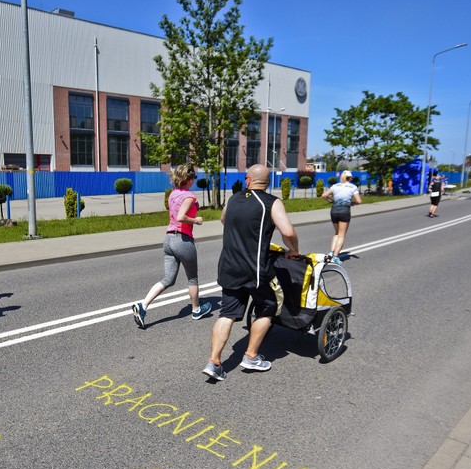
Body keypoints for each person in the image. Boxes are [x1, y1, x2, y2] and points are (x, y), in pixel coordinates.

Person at [202, 164, 300, 381]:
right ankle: (251, 356)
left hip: (229, 266)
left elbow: (224, 220)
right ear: (268, 182)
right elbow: (287, 231)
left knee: (227, 313)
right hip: (254, 269)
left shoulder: (233, 199)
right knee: (268, 306)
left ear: (248, 180)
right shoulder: (271, 202)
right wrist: (294, 249)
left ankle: (214, 362)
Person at [132, 163, 211, 328]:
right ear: (189, 179)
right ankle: (196, 310)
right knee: (192, 278)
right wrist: (196, 220)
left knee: (168, 279)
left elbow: (176, 214)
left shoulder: (173, 194)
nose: (194, 180)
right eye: (193, 177)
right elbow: (181, 217)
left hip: (168, 239)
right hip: (183, 240)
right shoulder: (189, 196)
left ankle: (143, 305)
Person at [321, 170, 361, 262]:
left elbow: (324, 195)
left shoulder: (335, 186)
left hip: (334, 211)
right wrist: (352, 203)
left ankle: (331, 252)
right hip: (344, 212)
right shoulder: (353, 187)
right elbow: (359, 201)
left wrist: (331, 201)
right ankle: (335, 256)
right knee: (342, 235)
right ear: (349, 178)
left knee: (337, 233)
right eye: (351, 178)